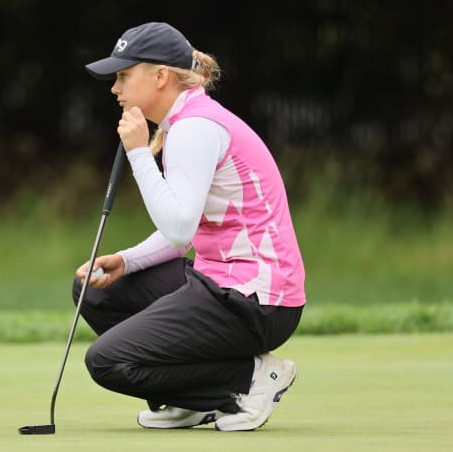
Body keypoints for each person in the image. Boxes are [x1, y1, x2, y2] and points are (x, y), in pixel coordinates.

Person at [74, 22, 305, 432]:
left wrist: (139, 154)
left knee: (106, 361)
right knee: (93, 293)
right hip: (220, 282)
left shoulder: (195, 128)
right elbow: (185, 230)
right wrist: (127, 261)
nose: (116, 88)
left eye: (124, 75)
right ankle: (192, 399)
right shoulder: (185, 123)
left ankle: (247, 381)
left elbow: (180, 229)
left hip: (257, 299)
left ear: (160, 76)